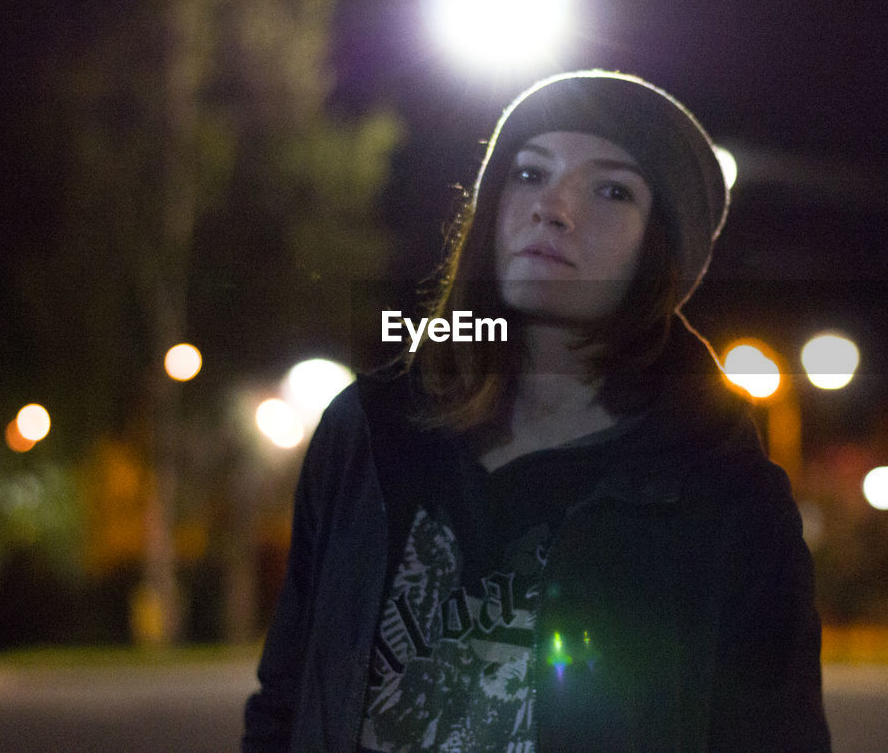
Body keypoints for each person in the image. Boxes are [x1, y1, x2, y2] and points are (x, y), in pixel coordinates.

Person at [243, 70, 831, 751]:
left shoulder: (726, 493)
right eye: (528, 173)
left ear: (662, 249)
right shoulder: (368, 432)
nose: (552, 207)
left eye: (611, 189)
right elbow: (287, 696)